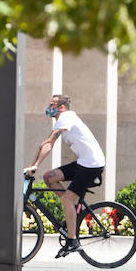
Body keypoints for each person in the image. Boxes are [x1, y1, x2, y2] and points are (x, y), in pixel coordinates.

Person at [23, 95, 106, 258]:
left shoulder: (66, 117)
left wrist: (36, 165)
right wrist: (32, 166)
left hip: (92, 165)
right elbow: (45, 143)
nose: (49, 107)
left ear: (61, 107)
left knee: (68, 199)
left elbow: (50, 143)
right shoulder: (63, 120)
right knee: (49, 178)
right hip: (84, 162)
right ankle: (71, 212)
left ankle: (72, 241)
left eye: (52, 104)